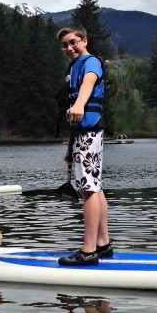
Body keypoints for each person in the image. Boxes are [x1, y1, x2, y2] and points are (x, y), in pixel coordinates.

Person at [57, 24, 112, 266]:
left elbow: (89, 83)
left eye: (73, 42)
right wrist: (69, 149)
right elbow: (74, 117)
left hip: (90, 133)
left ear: (84, 41)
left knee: (88, 189)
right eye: (65, 45)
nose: (69, 48)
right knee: (95, 187)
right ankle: (103, 244)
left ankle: (88, 251)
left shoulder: (91, 63)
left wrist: (79, 104)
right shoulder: (73, 67)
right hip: (82, 134)